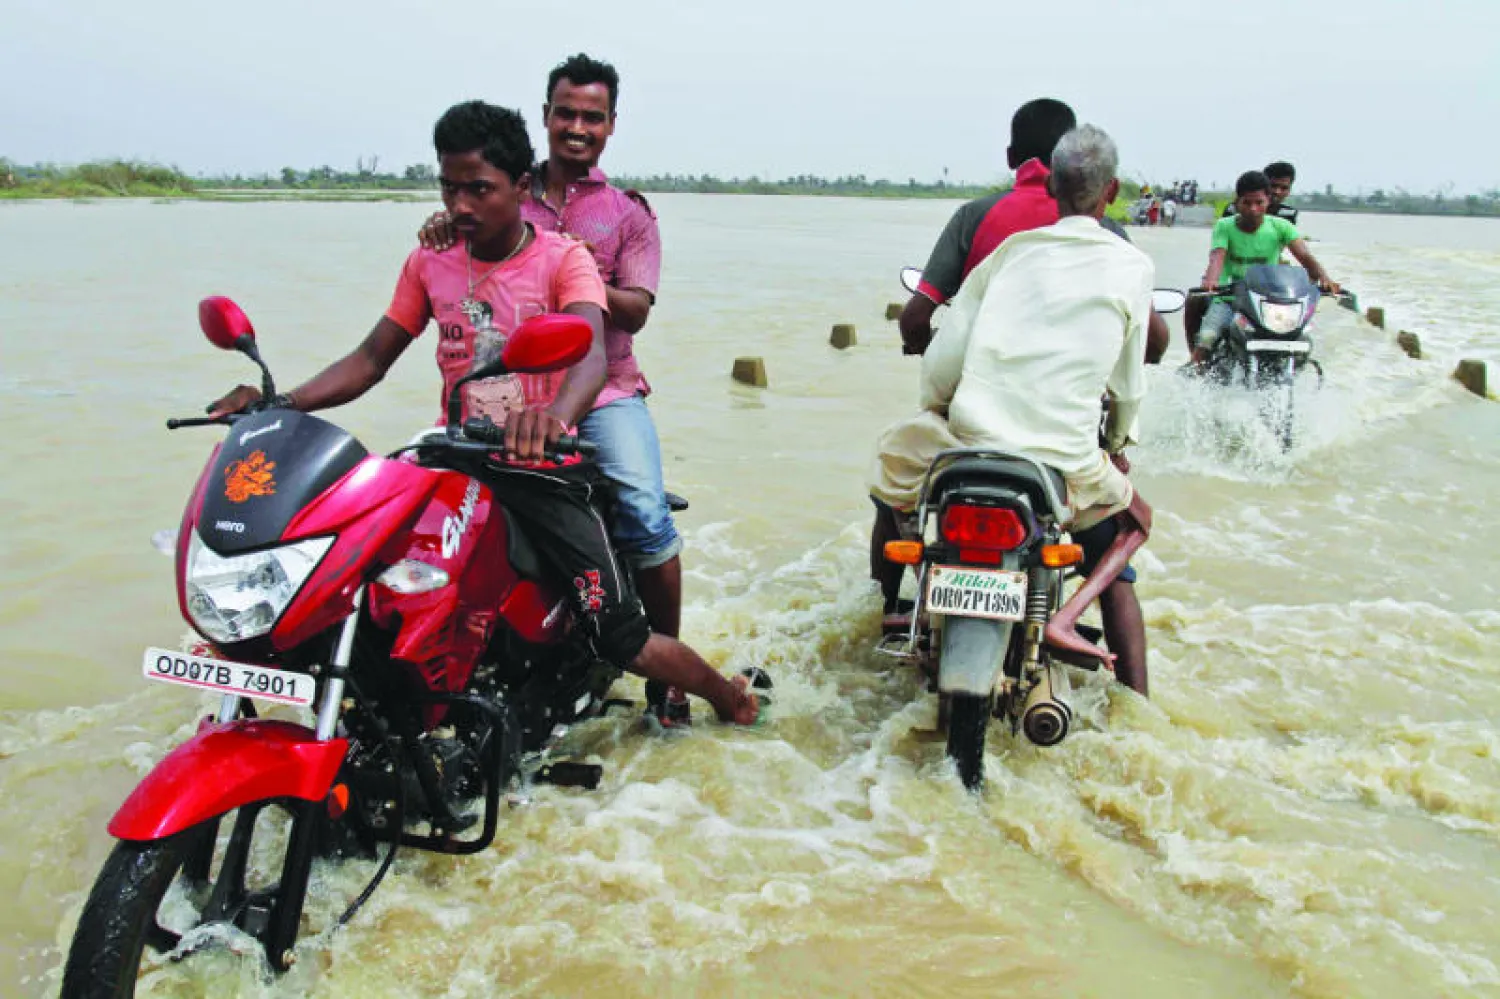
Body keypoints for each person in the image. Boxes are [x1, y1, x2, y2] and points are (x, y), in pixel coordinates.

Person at [209, 100, 758, 725]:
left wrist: (553, 418)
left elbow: (590, 359)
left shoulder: (562, 259)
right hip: (457, 453)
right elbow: (370, 358)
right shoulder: (429, 261)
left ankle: (722, 693)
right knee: (358, 564)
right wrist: (277, 404)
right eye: (449, 187)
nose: (460, 206)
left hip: (541, 464)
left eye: (479, 189)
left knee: (619, 636)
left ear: (520, 188)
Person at [420, 55, 690, 725]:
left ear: (610, 127)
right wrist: (444, 228)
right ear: (544, 116)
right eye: (565, 113)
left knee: (643, 507)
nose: (576, 127)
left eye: (591, 117)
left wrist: (580, 275)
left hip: (600, 387)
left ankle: (669, 669)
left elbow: (637, 308)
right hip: (502, 391)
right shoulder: (500, 186)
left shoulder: (628, 214)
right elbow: (460, 253)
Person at [869, 125, 1155, 696]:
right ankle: (1074, 626)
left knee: (893, 472)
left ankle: (897, 598)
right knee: (1138, 520)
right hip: (1064, 457)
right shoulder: (1133, 266)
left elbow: (943, 361)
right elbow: (1127, 387)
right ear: (1112, 192)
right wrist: (1119, 448)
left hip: (972, 439)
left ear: (1050, 186)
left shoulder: (1008, 254)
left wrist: (941, 410)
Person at [897, 99, 1169, 363]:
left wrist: (932, 348)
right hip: (1077, 399)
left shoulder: (974, 217)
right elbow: (1155, 343)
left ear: (1010, 157)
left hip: (978, 387)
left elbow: (914, 320)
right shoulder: (1106, 229)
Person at [1190, 169, 1339, 366]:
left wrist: (1324, 278)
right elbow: (1217, 256)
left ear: (1268, 201)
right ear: (1237, 202)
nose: (1253, 209)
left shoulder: (1281, 227)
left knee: (1301, 340)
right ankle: (1195, 376)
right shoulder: (1224, 226)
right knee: (1207, 338)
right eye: (1247, 202)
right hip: (1229, 297)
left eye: (1259, 203)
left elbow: (1304, 256)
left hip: (1265, 302)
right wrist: (1211, 281)